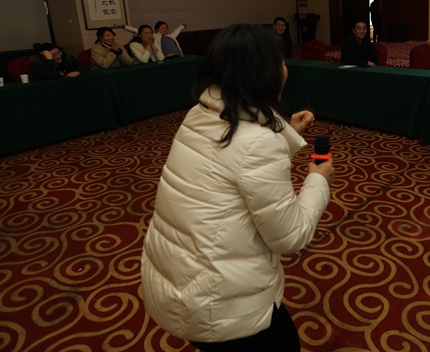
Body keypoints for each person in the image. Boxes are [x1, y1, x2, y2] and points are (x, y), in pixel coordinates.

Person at [141, 24, 334, 352]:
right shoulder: (258, 141)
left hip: (174, 282)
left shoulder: (199, 114)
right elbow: (290, 237)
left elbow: (234, 166)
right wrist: (318, 179)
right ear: (265, 74)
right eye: (281, 62)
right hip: (219, 305)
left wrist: (284, 131)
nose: (285, 69)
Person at [114, 21, 186, 58]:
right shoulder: (154, 35)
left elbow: (177, 30)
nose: (165, 30)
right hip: (166, 58)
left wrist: (182, 26)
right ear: (157, 29)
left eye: (166, 28)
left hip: (177, 56)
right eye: (163, 28)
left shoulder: (171, 36)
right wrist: (122, 26)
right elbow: (136, 30)